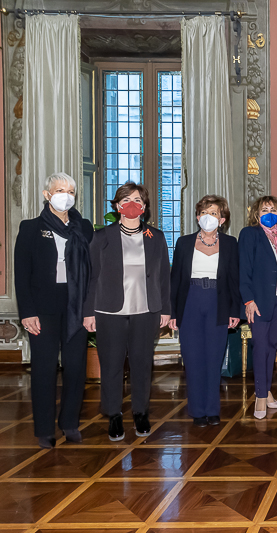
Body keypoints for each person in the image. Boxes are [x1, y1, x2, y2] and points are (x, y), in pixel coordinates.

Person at [83, 182, 171, 441]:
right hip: (109, 310)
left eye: (137, 199)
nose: (132, 204)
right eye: (126, 199)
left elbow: (164, 276)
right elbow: (91, 277)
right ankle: (114, 415)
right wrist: (88, 312)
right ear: (118, 205)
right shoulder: (102, 237)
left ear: (144, 207)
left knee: (142, 363)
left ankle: (141, 412)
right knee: (111, 364)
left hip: (146, 310)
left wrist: (165, 308)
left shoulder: (156, 237)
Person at [14, 173, 94, 448]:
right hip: (42, 310)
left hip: (76, 307)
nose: (66, 195)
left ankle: (70, 423)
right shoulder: (30, 228)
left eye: (70, 190)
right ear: (47, 194)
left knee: (75, 368)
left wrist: (90, 309)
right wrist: (27, 312)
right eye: (59, 189)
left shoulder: (83, 227)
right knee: (44, 370)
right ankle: (45, 429)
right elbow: (21, 275)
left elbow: (92, 272)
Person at [169, 196, 241, 427]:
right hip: (190, 300)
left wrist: (234, 311)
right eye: (203, 212)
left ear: (222, 219)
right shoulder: (183, 242)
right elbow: (175, 280)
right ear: (198, 217)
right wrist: (172, 313)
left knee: (214, 357)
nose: (208, 217)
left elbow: (234, 280)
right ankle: (197, 410)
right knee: (192, 358)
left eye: (214, 213)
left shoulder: (230, 243)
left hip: (218, 302)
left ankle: (212, 409)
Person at [239, 196, 277, 417]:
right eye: (264, 209)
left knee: (273, 345)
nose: (269, 213)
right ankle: (260, 397)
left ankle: (267, 392)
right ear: (256, 214)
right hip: (258, 301)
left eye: (273, 209)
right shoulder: (250, 234)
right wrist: (248, 300)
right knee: (261, 346)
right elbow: (243, 269)